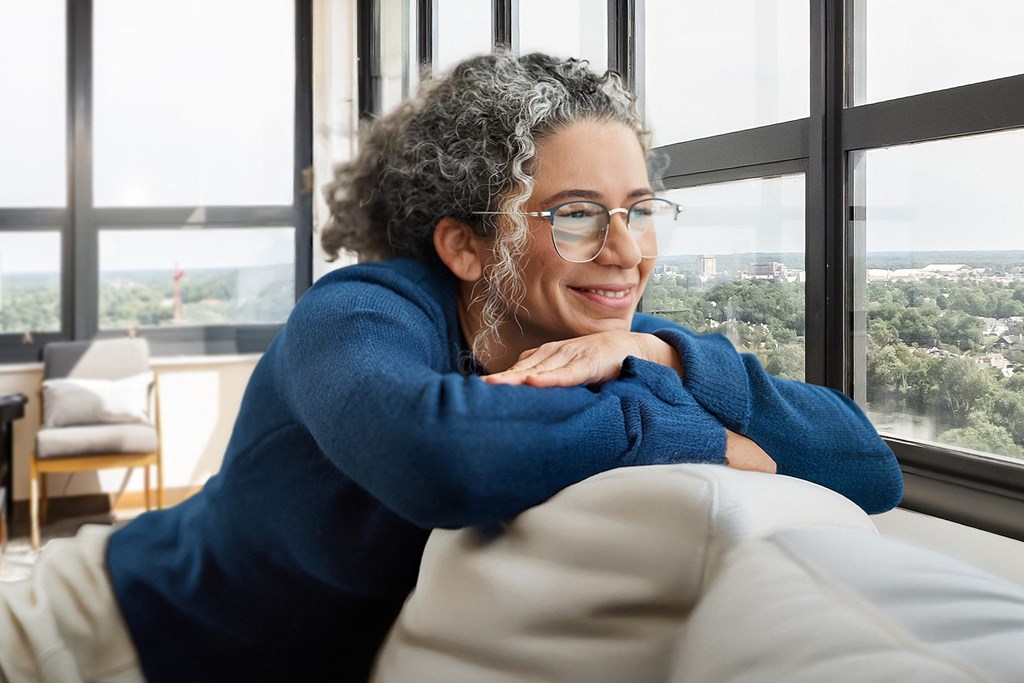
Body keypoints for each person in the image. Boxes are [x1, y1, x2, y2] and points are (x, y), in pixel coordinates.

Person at [0, 51, 902, 683]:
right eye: (578, 214)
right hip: (89, 637)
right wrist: (685, 426)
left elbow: (869, 464)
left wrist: (659, 353)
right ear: (467, 246)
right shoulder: (355, 313)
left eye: (639, 207)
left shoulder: (606, 337)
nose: (627, 250)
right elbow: (439, 456)